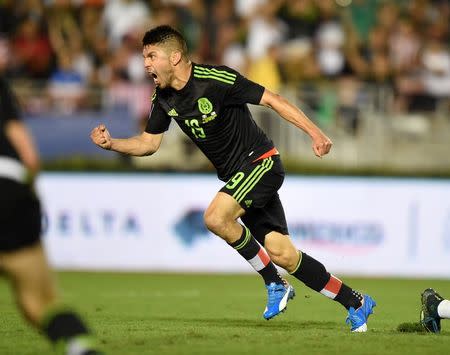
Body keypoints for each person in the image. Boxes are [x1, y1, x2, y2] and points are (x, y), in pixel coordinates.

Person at [90, 25, 376, 332]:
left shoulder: (217, 79)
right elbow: (149, 143)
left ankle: (274, 284)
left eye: (151, 55)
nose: (145, 63)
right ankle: (356, 302)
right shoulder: (163, 97)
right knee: (283, 254)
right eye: (144, 56)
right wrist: (113, 144)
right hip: (240, 178)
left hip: (261, 163)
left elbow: (273, 99)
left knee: (215, 218)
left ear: (174, 57)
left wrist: (315, 132)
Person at [0, 37, 102, 355]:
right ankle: (79, 347)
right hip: (8, 192)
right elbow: (27, 154)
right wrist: (24, 194)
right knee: (39, 302)